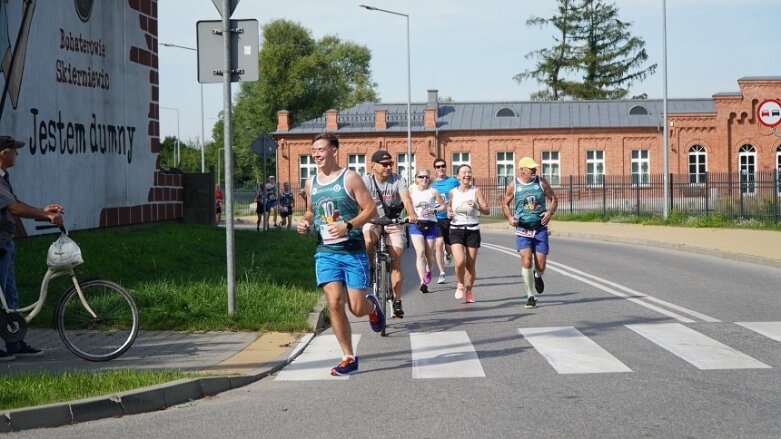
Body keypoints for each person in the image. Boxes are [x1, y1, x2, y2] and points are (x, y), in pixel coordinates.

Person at [296, 132, 383, 376]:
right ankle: (348, 356)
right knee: (334, 302)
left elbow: (370, 209)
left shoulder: (350, 178)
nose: (316, 155)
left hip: (352, 251)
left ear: (334, 150)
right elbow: (311, 211)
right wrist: (304, 222)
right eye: (314, 151)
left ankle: (372, 307)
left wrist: (348, 225)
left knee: (356, 308)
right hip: (325, 251)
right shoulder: (311, 183)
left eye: (321, 150)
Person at [0, 135, 64, 361]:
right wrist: (45, 214)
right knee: (2, 297)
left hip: (6, 242)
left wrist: (42, 209)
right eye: (14, 150)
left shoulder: (4, 178)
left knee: (10, 298)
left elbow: (15, 203)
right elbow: (15, 208)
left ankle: (14, 343)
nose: (17, 153)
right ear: (3, 153)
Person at [362, 150, 417, 319]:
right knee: (368, 239)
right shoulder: (366, 181)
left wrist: (412, 213)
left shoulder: (398, 180)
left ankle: (397, 301)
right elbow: (355, 199)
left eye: (390, 164)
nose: (388, 167)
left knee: (396, 259)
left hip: (393, 222)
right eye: (384, 164)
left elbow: (406, 199)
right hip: (373, 221)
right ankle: (371, 267)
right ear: (373, 166)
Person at [502, 156, 558, 309]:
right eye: (531, 168)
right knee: (526, 260)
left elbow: (554, 199)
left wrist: (549, 212)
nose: (534, 170)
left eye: (535, 168)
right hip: (523, 228)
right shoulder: (514, 185)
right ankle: (530, 296)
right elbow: (505, 204)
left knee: (540, 264)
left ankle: (537, 275)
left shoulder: (541, 182)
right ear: (522, 170)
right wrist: (509, 218)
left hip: (539, 228)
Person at [448, 164, 489, 304]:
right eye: (464, 172)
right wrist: (448, 212)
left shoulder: (476, 190)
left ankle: (469, 290)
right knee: (460, 262)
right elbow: (449, 206)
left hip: (472, 230)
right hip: (456, 230)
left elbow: (486, 210)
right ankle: (460, 284)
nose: (467, 175)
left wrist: (477, 206)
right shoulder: (453, 192)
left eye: (469, 172)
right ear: (458, 176)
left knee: (470, 265)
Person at [408, 168, 446, 294]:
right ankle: (422, 282)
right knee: (420, 252)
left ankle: (429, 271)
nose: (424, 179)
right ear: (416, 179)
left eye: (426, 177)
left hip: (430, 224)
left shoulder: (433, 191)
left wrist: (434, 210)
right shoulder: (411, 190)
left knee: (429, 254)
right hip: (416, 224)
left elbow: (443, 206)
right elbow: (405, 204)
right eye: (421, 177)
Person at [431, 158, 460, 285]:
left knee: (449, 246)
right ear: (435, 169)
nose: (441, 168)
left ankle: (448, 254)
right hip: (436, 218)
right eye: (438, 167)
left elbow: (460, 194)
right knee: (438, 244)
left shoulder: (453, 181)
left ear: (446, 167)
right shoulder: (431, 184)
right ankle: (442, 273)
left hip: (450, 218)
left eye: (443, 166)